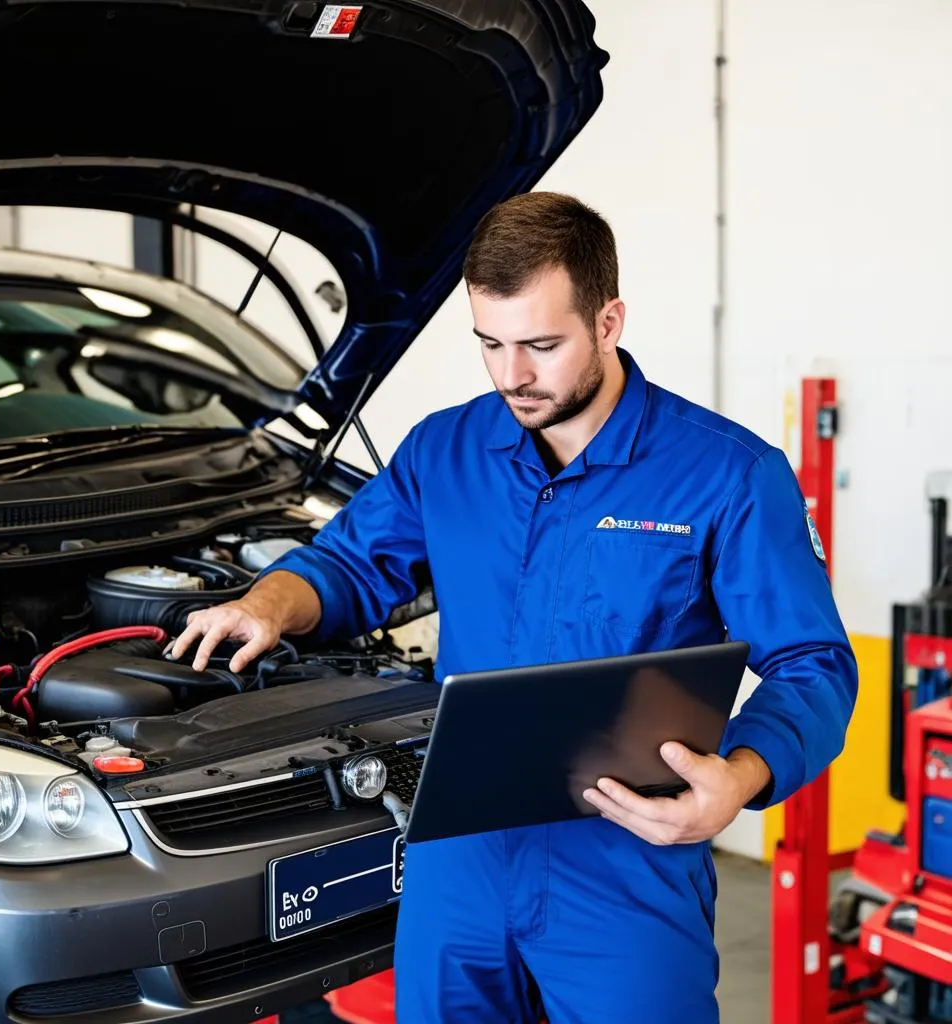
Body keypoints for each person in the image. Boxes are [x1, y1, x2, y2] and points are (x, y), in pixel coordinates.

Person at [171, 192, 858, 1023]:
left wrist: (740, 778)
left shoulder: (726, 476)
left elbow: (813, 665)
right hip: (458, 860)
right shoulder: (446, 449)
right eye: (489, 344)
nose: (512, 376)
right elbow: (349, 563)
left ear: (609, 322)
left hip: (627, 858)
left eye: (541, 344)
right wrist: (270, 605)